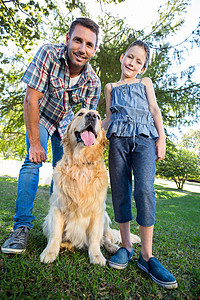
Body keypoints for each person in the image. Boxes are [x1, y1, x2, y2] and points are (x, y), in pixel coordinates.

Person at [1, 17, 101, 254]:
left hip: (66, 128)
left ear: (94, 50)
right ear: (68, 39)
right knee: (32, 162)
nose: (82, 49)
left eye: (89, 45)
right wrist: (36, 143)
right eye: (78, 41)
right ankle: (21, 227)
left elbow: (85, 123)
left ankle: (56, 227)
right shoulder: (48, 54)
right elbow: (31, 99)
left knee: (62, 173)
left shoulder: (93, 83)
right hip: (42, 116)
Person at [102, 40, 178, 289]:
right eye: (130, 57)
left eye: (138, 62)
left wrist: (162, 139)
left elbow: (155, 111)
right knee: (121, 191)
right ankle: (125, 246)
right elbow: (108, 118)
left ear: (142, 68)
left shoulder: (145, 83)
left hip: (145, 140)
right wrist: (90, 131)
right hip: (118, 142)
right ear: (122, 57)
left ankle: (147, 256)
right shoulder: (110, 87)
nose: (132, 63)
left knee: (144, 190)